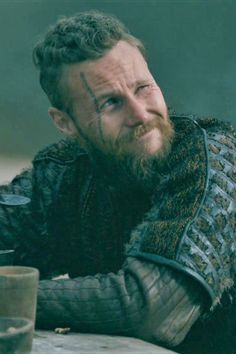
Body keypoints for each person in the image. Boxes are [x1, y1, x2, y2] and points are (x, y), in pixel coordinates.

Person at [0, 10, 235, 354]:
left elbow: (151, 308)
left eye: (144, 88)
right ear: (65, 123)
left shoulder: (213, 157)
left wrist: (10, 293)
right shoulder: (63, 173)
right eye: (111, 102)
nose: (140, 114)